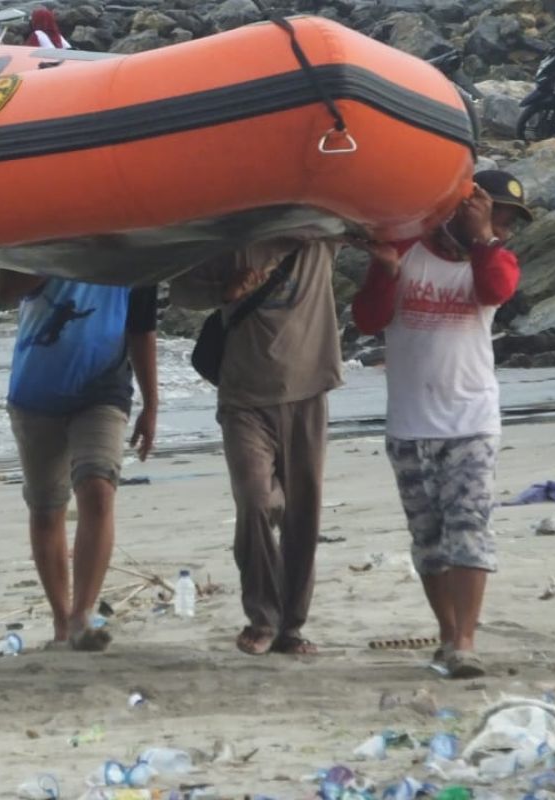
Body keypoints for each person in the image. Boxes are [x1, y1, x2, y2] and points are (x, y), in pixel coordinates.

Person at [351, 170, 528, 679]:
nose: (508, 230)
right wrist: (383, 271)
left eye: (512, 223)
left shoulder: (493, 257)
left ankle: (466, 642)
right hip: (410, 422)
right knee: (428, 539)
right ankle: (448, 634)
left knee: (468, 529)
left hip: (472, 419)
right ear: (468, 205)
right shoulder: (405, 251)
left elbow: (497, 291)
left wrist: (485, 239)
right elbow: (368, 319)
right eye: (502, 216)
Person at [171, 237, 342, 657]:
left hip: (308, 393)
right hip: (244, 398)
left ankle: (292, 627)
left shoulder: (318, 238)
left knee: (304, 513)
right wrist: (223, 291)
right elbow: (180, 291)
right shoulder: (234, 237)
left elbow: (371, 213)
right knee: (255, 501)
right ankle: (263, 617)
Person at [0, 272, 158, 651]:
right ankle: (61, 618)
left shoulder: (135, 253)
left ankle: (82, 614)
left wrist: (151, 404)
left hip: (103, 387)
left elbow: (142, 329)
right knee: (46, 508)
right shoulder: (44, 235)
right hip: (35, 390)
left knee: (98, 489)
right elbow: (4, 289)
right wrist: (51, 260)